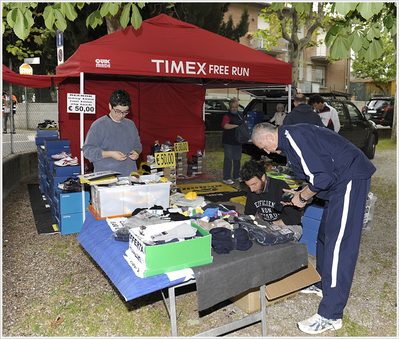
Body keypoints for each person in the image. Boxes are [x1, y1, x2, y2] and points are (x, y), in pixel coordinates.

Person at [251, 122, 376, 334]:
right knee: (325, 235)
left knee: (339, 246)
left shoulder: (295, 138)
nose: (265, 151)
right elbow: (318, 172)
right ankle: (322, 284)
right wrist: (300, 192)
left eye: (263, 146)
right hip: (339, 183)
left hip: (349, 179)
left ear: (270, 138)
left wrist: (303, 197)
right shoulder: (289, 143)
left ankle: (331, 315)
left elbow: (323, 177)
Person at [82, 89, 142, 177]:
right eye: (118, 111)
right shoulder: (99, 125)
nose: (121, 115)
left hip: (130, 176)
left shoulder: (130, 124)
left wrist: (137, 151)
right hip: (107, 179)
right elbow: (87, 150)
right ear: (110, 106)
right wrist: (110, 154)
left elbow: (138, 144)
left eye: (125, 112)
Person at [240, 160, 302, 240]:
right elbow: (249, 215)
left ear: (263, 177)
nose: (252, 189)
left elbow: (295, 217)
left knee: (272, 243)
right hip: (269, 226)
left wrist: (270, 225)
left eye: (254, 184)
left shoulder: (280, 187)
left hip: (289, 226)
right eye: (249, 186)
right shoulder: (253, 190)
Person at [221, 98, 245, 185]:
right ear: (229, 107)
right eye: (233, 107)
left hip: (238, 141)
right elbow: (225, 125)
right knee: (228, 159)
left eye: (236, 107)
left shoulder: (240, 114)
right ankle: (226, 177)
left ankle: (236, 176)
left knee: (237, 159)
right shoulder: (227, 116)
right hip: (229, 141)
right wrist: (236, 126)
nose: (235, 109)